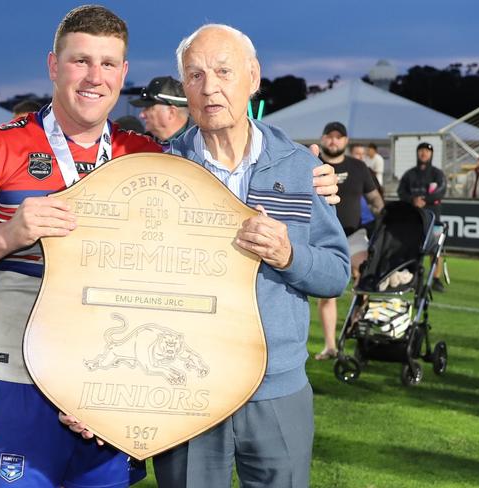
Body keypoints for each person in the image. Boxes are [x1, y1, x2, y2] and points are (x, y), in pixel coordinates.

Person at [0, 7, 339, 487]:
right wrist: (5, 235)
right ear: (54, 66)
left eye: (108, 64)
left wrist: (313, 180)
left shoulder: (144, 155)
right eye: (80, 61)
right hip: (22, 383)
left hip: (121, 389)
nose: (94, 77)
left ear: (122, 74)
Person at [150, 24, 350, 488]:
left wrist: (288, 255)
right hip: (186, 388)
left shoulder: (301, 167)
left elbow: (336, 274)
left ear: (253, 77)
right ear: (184, 87)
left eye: (224, 71)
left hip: (278, 390)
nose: (210, 87)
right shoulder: (162, 169)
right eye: (195, 75)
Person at [315, 122, 383, 360]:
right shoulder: (311, 164)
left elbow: (375, 200)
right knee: (328, 292)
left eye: (338, 137)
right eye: (329, 137)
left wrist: (384, 222)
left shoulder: (358, 167)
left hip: (353, 234)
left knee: (362, 277)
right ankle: (330, 346)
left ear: (346, 141)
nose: (334, 141)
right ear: (323, 139)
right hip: (322, 236)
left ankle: (357, 325)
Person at [397, 142, 447, 291]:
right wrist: (413, 200)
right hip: (414, 217)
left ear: (431, 154)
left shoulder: (437, 174)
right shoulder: (409, 174)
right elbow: (401, 192)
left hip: (433, 217)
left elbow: (441, 190)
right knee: (413, 247)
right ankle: (412, 276)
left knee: (435, 248)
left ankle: (435, 279)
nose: (424, 154)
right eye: (421, 151)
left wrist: (424, 200)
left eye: (427, 151)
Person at [129, 76, 192, 149]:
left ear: (171, 112)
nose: (141, 115)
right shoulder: (142, 147)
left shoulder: (200, 147)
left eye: (149, 108)